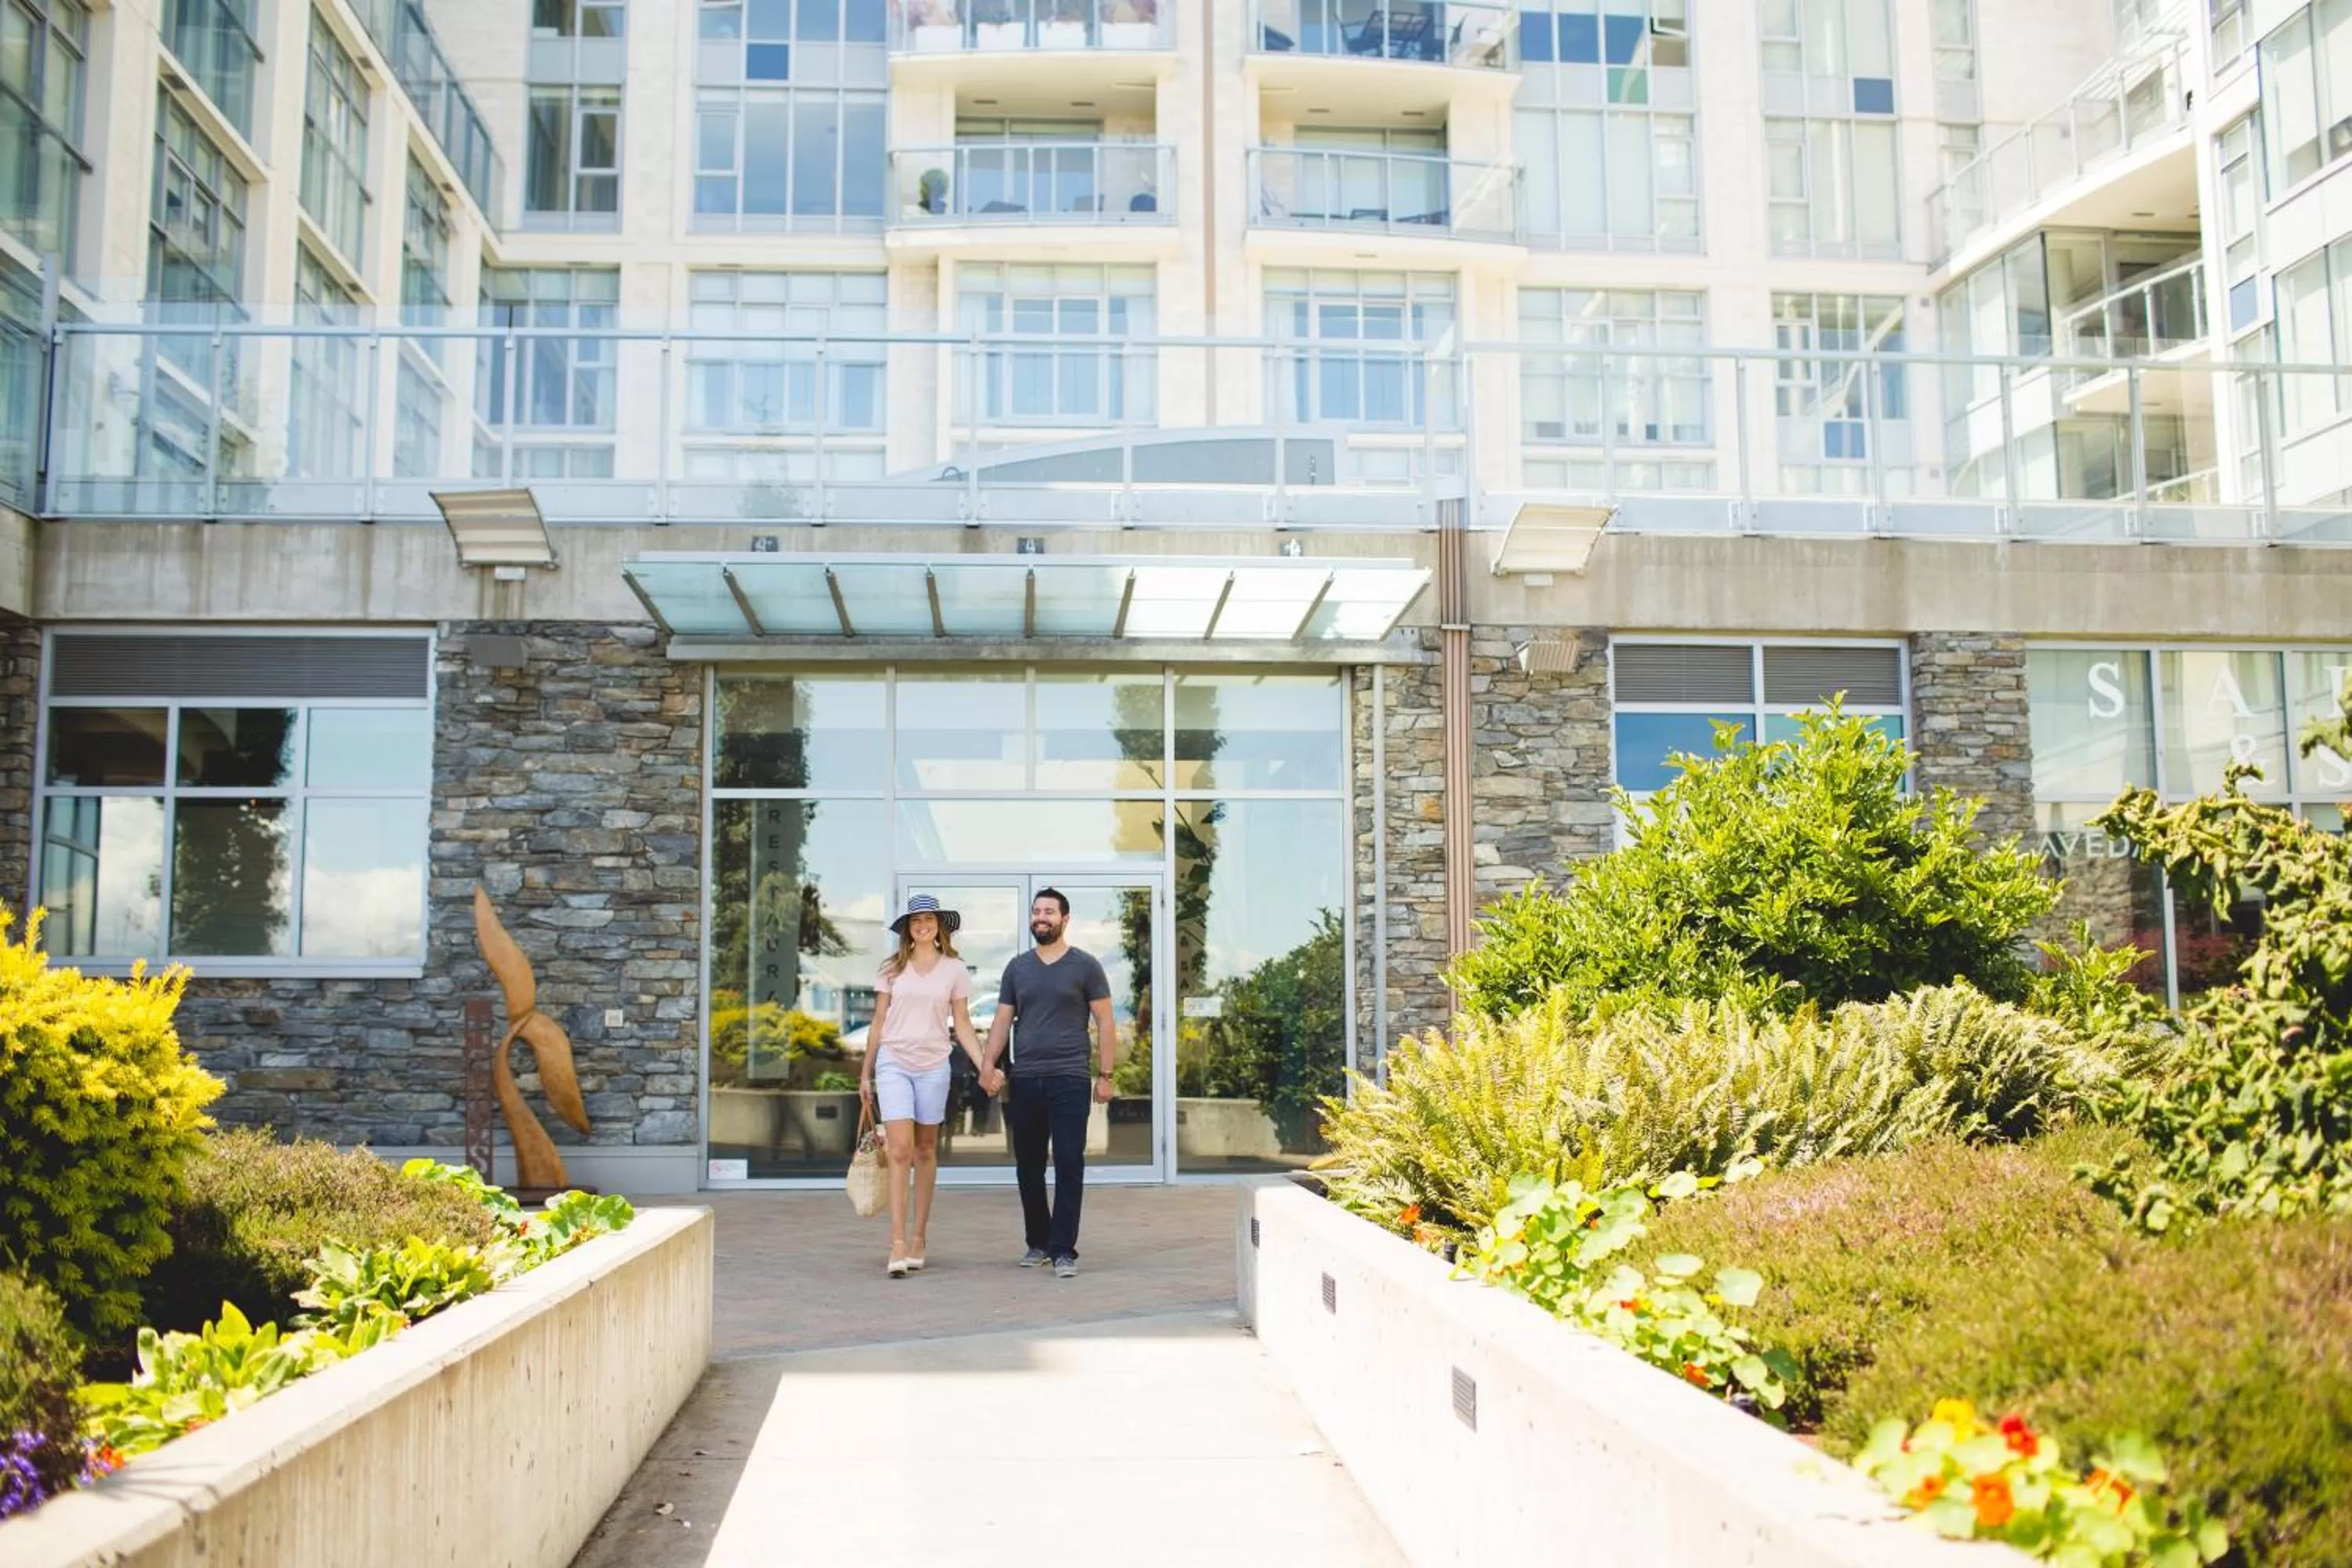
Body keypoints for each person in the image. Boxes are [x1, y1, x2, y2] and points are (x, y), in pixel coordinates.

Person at [979, 887, 1116, 1279]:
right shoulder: (1017, 968)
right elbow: (1002, 1021)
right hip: (1025, 1079)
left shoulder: (1086, 966)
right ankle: (1038, 1242)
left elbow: (1106, 1022)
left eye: (1049, 912)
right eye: (1036, 911)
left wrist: (1106, 1075)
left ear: (1065, 919)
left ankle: (1063, 1250)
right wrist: (987, 1066)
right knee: (1029, 1166)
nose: (1041, 918)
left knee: (1069, 1162)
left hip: (1070, 1077)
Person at [858, 894, 984, 1279]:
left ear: (939, 926)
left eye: (929, 919)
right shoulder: (891, 969)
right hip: (893, 1062)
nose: (923, 925)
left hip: (934, 1067)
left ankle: (918, 1237)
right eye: (916, 921)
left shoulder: (955, 970)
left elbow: (962, 1024)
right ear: (908, 929)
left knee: (926, 1149)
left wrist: (985, 1065)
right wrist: (866, 1072)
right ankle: (897, 1243)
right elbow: (879, 1021)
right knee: (900, 1150)